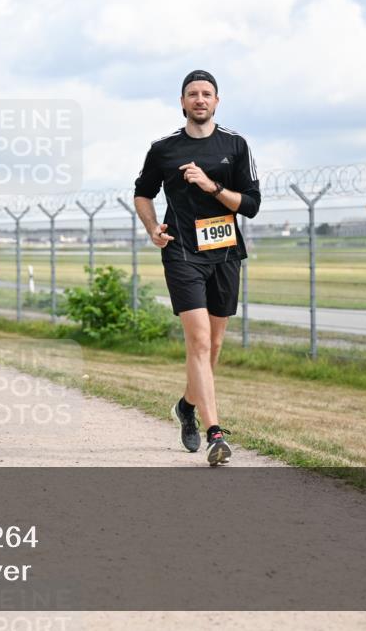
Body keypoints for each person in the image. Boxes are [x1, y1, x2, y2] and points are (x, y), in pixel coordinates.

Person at [133, 69, 261, 466]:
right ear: (183, 102)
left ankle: (187, 406)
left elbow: (252, 206)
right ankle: (215, 434)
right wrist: (153, 227)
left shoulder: (235, 145)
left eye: (207, 94)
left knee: (215, 346)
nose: (200, 100)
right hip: (183, 254)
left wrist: (212, 187)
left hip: (225, 253)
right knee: (200, 343)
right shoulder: (164, 149)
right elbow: (142, 193)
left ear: (217, 101)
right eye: (192, 94)